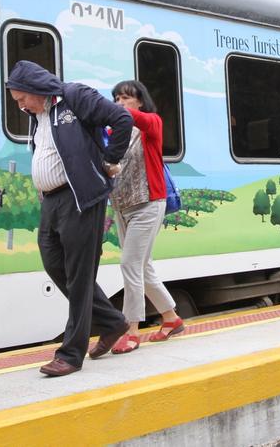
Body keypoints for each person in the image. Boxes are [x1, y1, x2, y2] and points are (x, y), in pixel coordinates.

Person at [5, 61, 133, 377]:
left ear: (37, 89)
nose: (21, 106)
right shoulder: (38, 117)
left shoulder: (74, 97)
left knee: (79, 273)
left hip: (80, 197)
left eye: (22, 99)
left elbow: (121, 119)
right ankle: (114, 322)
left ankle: (71, 354)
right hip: (52, 201)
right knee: (54, 262)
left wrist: (110, 160)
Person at [107, 80, 184, 354]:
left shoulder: (151, 123)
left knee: (130, 263)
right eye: (116, 98)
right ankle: (171, 318)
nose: (119, 102)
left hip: (148, 203)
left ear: (140, 101)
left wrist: (106, 110)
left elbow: (132, 118)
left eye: (125, 98)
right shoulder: (114, 132)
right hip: (122, 206)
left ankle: (131, 331)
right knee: (143, 266)